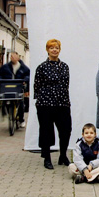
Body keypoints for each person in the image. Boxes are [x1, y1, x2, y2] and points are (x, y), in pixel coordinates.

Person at [33, 39, 72, 170]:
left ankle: (63, 155)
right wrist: (41, 100)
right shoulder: (42, 67)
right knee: (46, 131)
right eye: (51, 48)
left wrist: (64, 100)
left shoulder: (65, 66)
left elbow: (66, 85)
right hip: (45, 104)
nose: (54, 50)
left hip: (62, 103)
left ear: (59, 50)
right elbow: (37, 85)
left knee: (66, 130)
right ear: (47, 50)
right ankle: (47, 158)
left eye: (56, 48)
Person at [0, 52, 31, 125]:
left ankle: (21, 120)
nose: (13, 58)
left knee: (21, 102)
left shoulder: (23, 67)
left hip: (18, 87)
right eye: (11, 56)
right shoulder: (5, 67)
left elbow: (28, 75)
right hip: (8, 87)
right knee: (4, 99)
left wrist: (25, 80)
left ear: (18, 57)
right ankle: (5, 112)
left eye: (14, 56)